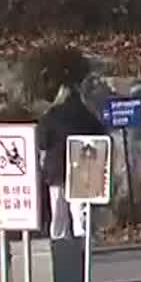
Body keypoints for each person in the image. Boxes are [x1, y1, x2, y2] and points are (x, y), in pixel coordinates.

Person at [37, 81, 107, 240]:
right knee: (79, 207)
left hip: (56, 167)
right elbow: (101, 134)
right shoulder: (87, 115)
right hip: (82, 164)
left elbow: (42, 141)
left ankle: (59, 239)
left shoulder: (51, 115)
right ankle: (83, 238)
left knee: (58, 208)